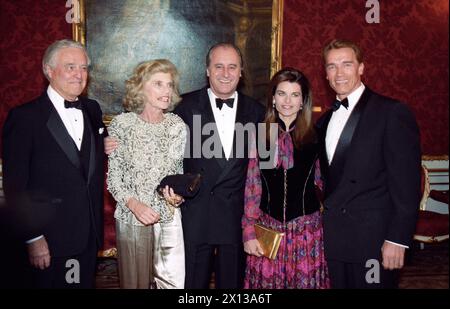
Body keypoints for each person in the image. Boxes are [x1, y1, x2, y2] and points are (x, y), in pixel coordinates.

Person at [105, 43, 265, 288]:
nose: (225, 73)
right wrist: (106, 142)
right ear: (207, 71)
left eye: (232, 67)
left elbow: (268, 169)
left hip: (234, 220)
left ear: (241, 72)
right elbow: (146, 129)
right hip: (193, 217)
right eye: (218, 66)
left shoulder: (258, 112)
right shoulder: (184, 108)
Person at [316, 39, 421, 288]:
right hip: (334, 239)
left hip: (373, 241)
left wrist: (397, 239)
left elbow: (406, 185)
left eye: (346, 64)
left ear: (361, 68)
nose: (339, 73)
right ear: (326, 73)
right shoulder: (324, 120)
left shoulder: (391, 112)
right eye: (332, 66)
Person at [2, 39, 106, 288]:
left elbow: (87, 162)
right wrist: (33, 238)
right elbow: (15, 187)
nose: (79, 75)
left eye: (83, 68)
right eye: (71, 67)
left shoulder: (92, 109)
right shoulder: (25, 118)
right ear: (48, 70)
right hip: (49, 240)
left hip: (88, 235)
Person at [241, 67, 330, 289]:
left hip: (306, 233)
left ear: (303, 101)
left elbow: (324, 182)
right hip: (267, 230)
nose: (287, 101)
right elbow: (253, 185)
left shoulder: (317, 136)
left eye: (295, 94)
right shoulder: (262, 134)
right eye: (281, 93)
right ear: (272, 98)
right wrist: (248, 230)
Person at [106, 59, 186, 289]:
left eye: (169, 85)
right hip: (132, 217)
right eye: (158, 84)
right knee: (135, 284)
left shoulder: (176, 125)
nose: (166, 91)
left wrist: (176, 196)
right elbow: (114, 179)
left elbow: (175, 173)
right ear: (141, 87)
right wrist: (135, 205)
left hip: (169, 217)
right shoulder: (122, 125)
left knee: (172, 285)